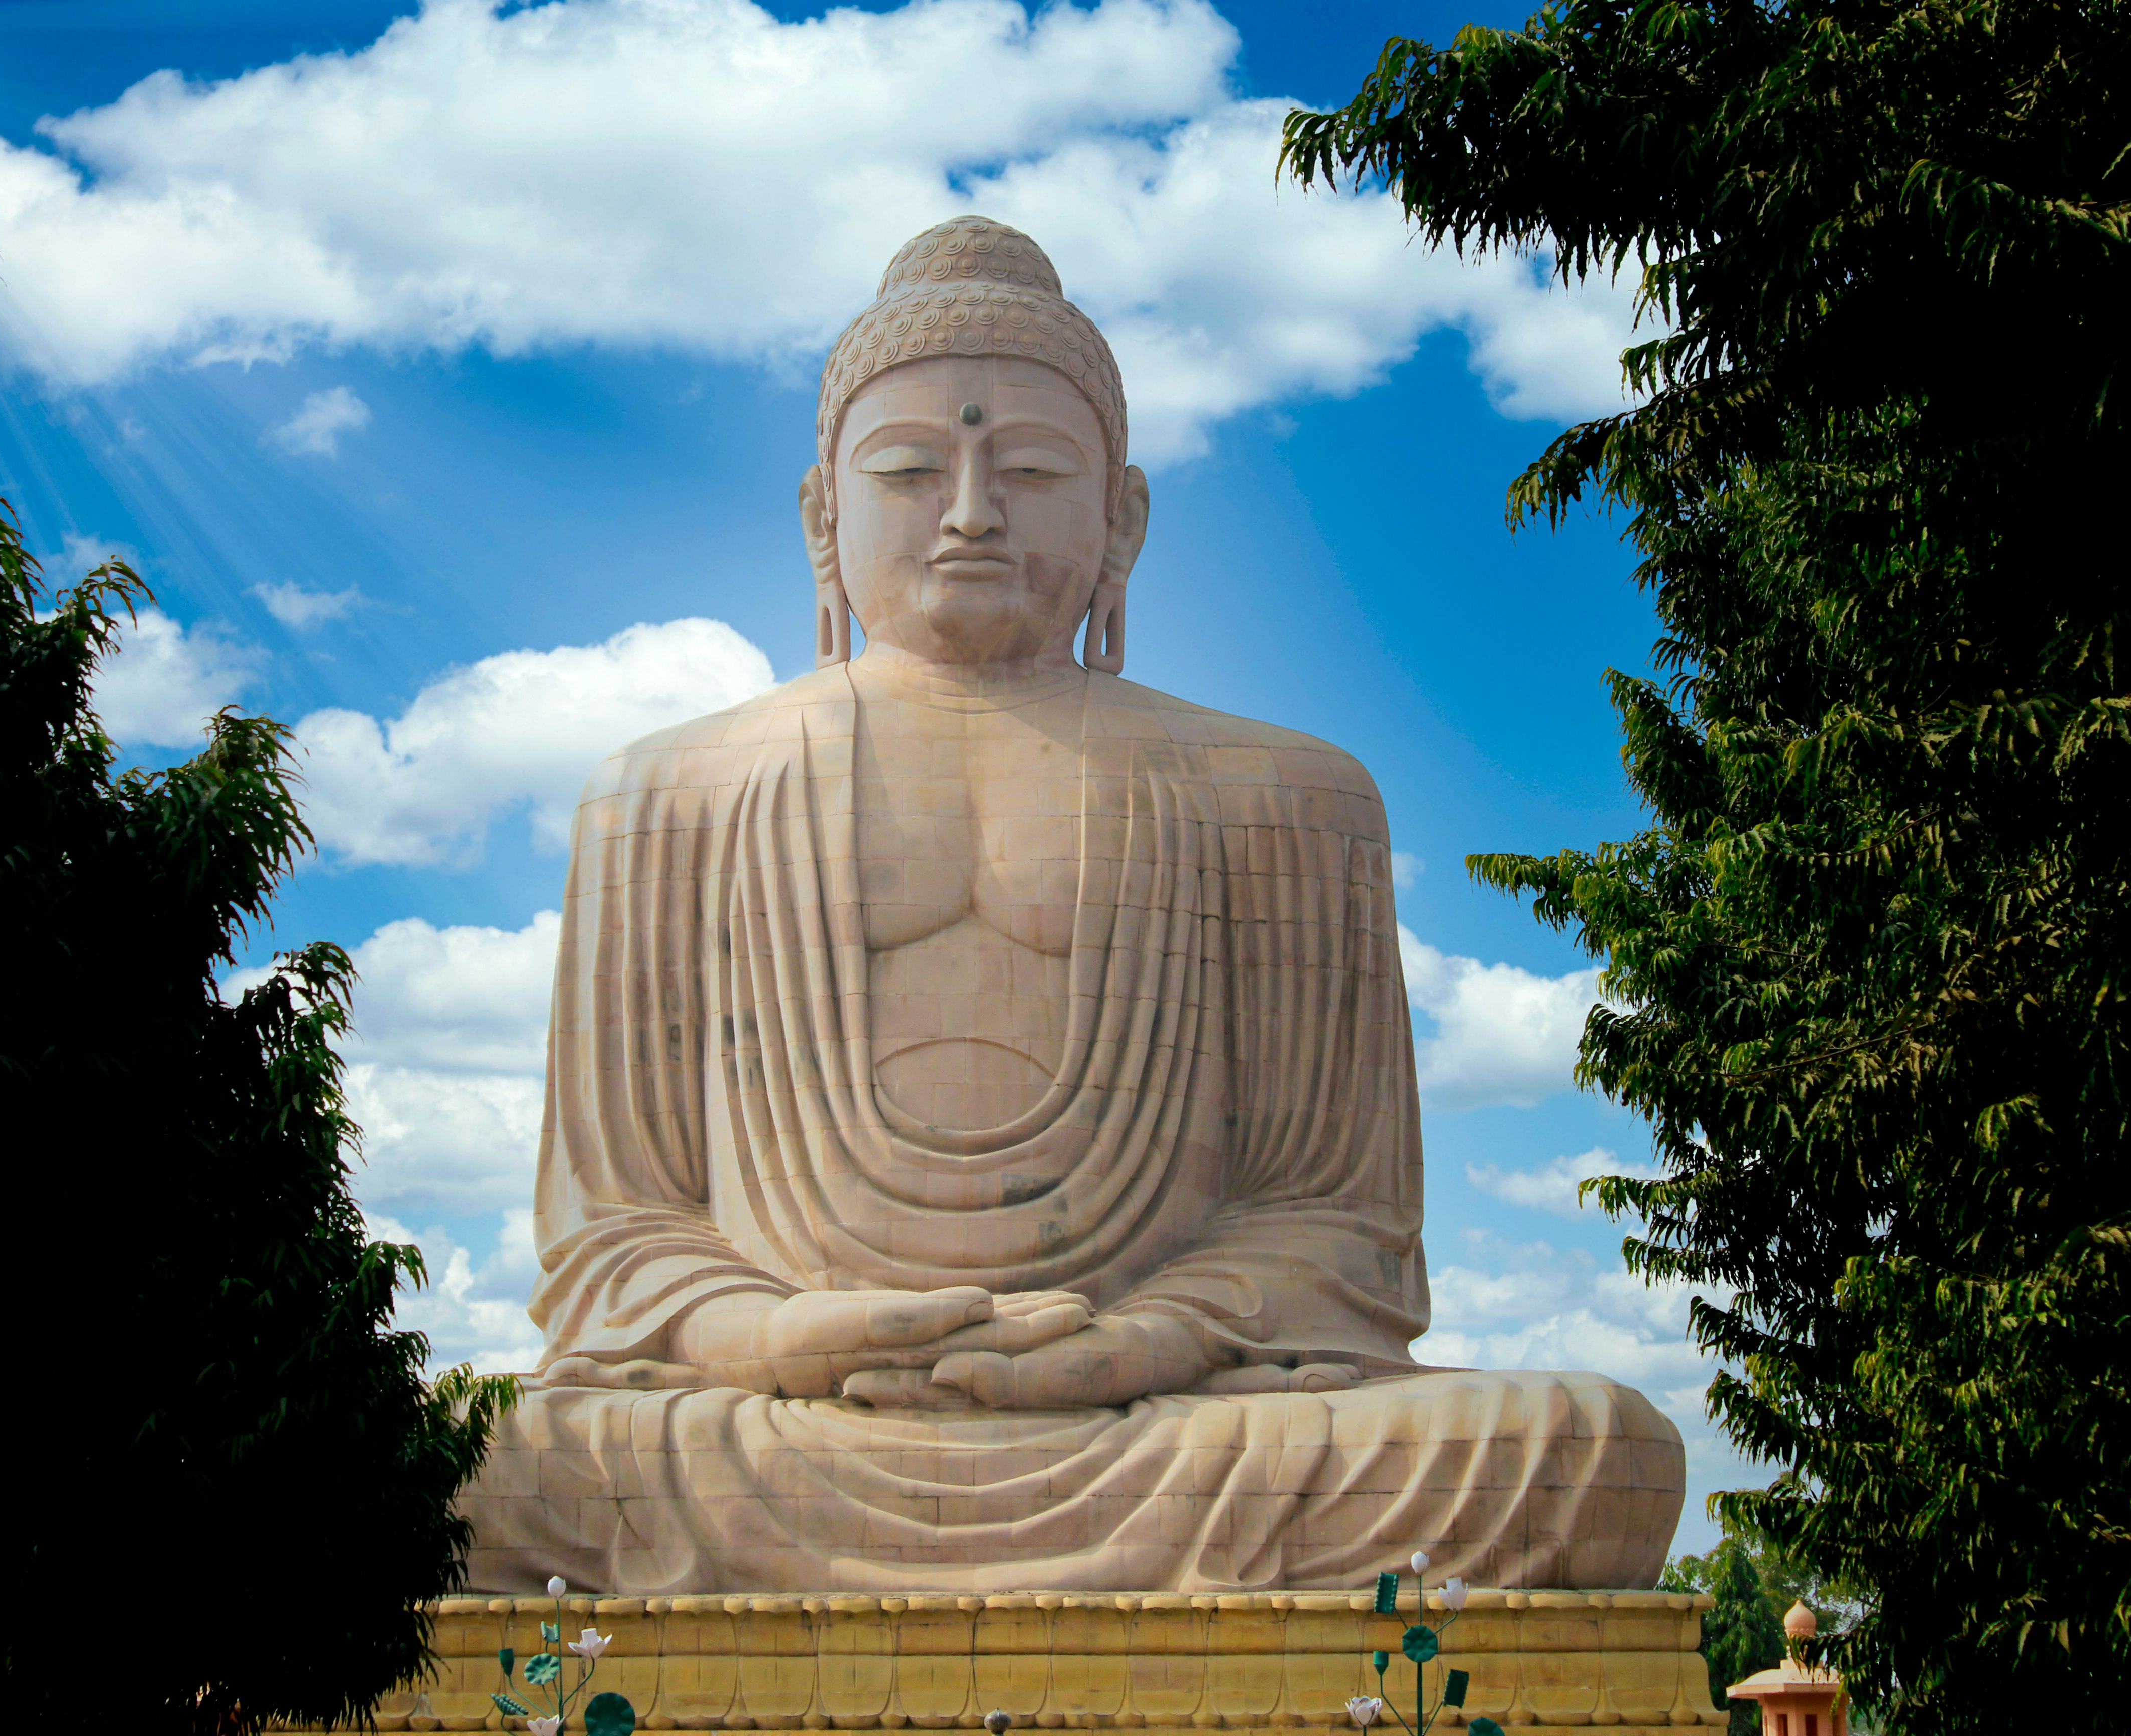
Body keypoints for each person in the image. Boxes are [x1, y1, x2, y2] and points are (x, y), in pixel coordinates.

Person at [459, 218, 1681, 1594]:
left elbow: (1338, 1228)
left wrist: (1143, 1342)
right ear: (821, 512)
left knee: (1590, 1452)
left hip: (1171, 1425)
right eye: (912, 469)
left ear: (1125, 514)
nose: (972, 508)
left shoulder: (1286, 794)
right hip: (786, 1424)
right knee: (445, 1462)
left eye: (1033, 469)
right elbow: (616, 1235)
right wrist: (770, 1338)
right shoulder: (662, 794)